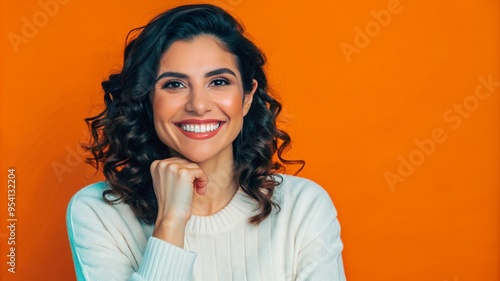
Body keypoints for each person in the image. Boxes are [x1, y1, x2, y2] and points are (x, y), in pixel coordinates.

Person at [66, 4, 346, 281]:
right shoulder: (98, 212)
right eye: (174, 84)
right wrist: (170, 222)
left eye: (219, 82)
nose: (198, 105)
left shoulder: (303, 207)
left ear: (247, 97)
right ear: (148, 99)